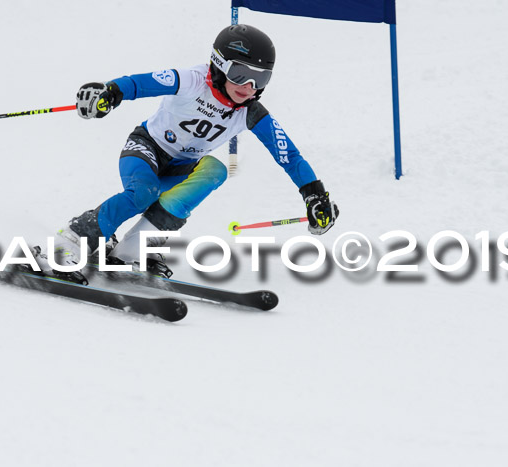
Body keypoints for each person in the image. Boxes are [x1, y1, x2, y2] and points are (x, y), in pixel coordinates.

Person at [36, 24, 339, 280]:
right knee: (142, 193)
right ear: (219, 64)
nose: (248, 87)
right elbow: (141, 84)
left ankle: (136, 246)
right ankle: (71, 240)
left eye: (260, 79)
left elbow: (289, 156)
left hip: (182, 167)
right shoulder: (193, 80)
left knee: (215, 170)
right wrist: (111, 93)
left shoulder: (251, 113)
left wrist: (315, 194)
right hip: (146, 149)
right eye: (240, 74)